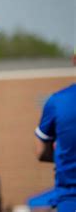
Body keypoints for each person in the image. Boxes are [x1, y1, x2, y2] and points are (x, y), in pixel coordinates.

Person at [34, 55, 76, 211]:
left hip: (70, 198)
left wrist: (64, 156)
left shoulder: (58, 101)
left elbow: (41, 152)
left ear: (74, 60)